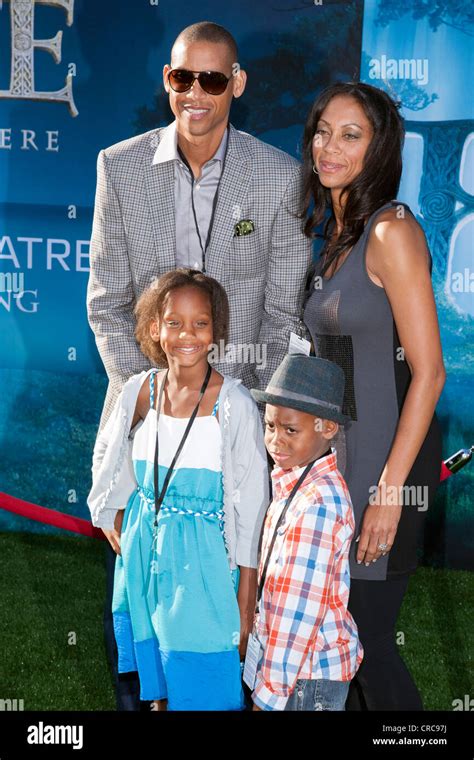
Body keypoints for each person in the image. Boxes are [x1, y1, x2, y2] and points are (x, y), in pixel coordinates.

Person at [86, 21, 311, 708]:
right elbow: (105, 301)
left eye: (213, 79)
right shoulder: (117, 167)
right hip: (145, 429)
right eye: (184, 78)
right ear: (167, 80)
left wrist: (229, 410)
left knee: (226, 620)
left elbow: (283, 315)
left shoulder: (277, 176)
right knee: (140, 608)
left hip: (235, 437)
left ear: (236, 85)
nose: (197, 93)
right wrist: (153, 395)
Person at [301, 82, 445, 710]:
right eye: (323, 130)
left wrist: (389, 494)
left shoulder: (392, 231)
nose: (329, 146)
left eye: (350, 135)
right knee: (341, 643)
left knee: (369, 646)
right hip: (341, 466)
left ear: (380, 149)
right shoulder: (334, 236)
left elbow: (430, 372)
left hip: (388, 470)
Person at [87, 269, 269, 711]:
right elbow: (109, 458)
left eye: (200, 323)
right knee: (162, 688)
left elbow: (252, 509)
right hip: (148, 563)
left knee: (204, 686)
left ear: (215, 331)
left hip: (206, 570)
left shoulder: (236, 405)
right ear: (155, 328)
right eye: (174, 322)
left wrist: (246, 602)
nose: (187, 334)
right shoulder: (139, 391)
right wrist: (116, 519)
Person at [246, 354, 363, 711]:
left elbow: (298, 613)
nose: (275, 440)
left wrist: (267, 696)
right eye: (269, 426)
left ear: (328, 428)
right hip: (292, 670)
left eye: (290, 430)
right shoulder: (294, 482)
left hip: (304, 682)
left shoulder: (318, 504)